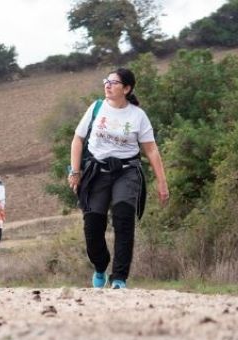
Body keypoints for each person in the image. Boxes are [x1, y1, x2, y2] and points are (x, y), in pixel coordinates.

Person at [67, 68, 170, 290]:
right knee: (93, 226)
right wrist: (75, 171)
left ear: (126, 88)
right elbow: (77, 139)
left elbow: (151, 151)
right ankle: (100, 266)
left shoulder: (137, 116)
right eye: (107, 81)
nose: (108, 85)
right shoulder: (96, 108)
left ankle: (119, 278)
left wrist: (162, 183)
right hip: (97, 171)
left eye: (114, 82)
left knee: (124, 220)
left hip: (126, 172)